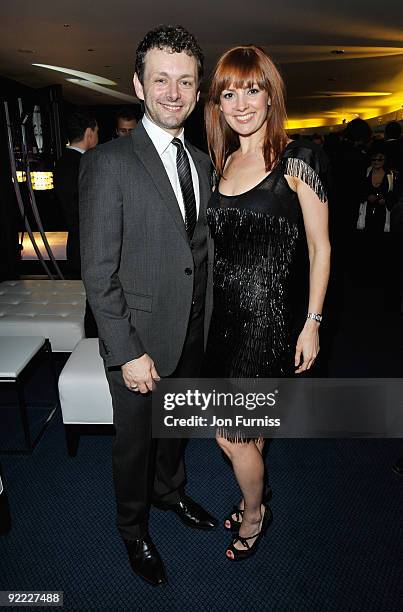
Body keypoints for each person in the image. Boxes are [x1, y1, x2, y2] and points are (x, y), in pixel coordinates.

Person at [79, 25, 217, 587]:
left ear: (199, 87)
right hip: (136, 343)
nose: (174, 92)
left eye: (185, 80)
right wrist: (126, 352)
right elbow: (97, 272)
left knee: (175, 430)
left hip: (190, 332)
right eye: (161, 79)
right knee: (134, 446)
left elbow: (200, 255)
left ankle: (169, 494)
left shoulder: (205, 164)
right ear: (138, 84)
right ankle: (132, 529)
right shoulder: (108, 164)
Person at [204, 45, 331, 561]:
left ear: (270, 93)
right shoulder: (223, 160)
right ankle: (252, 493)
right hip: (224, 322)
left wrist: (313, 322)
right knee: (245, 432)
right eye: (229, 92)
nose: (240, 103)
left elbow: (322, 247)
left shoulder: (298, 160)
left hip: (267, 323)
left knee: (229, 437)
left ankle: (255, 513)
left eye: (251, 89)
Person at [54, 110, 99, 337]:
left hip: (75, 243)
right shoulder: (86, 164)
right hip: (89, 246)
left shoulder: (62, 163)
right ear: (89, 132)